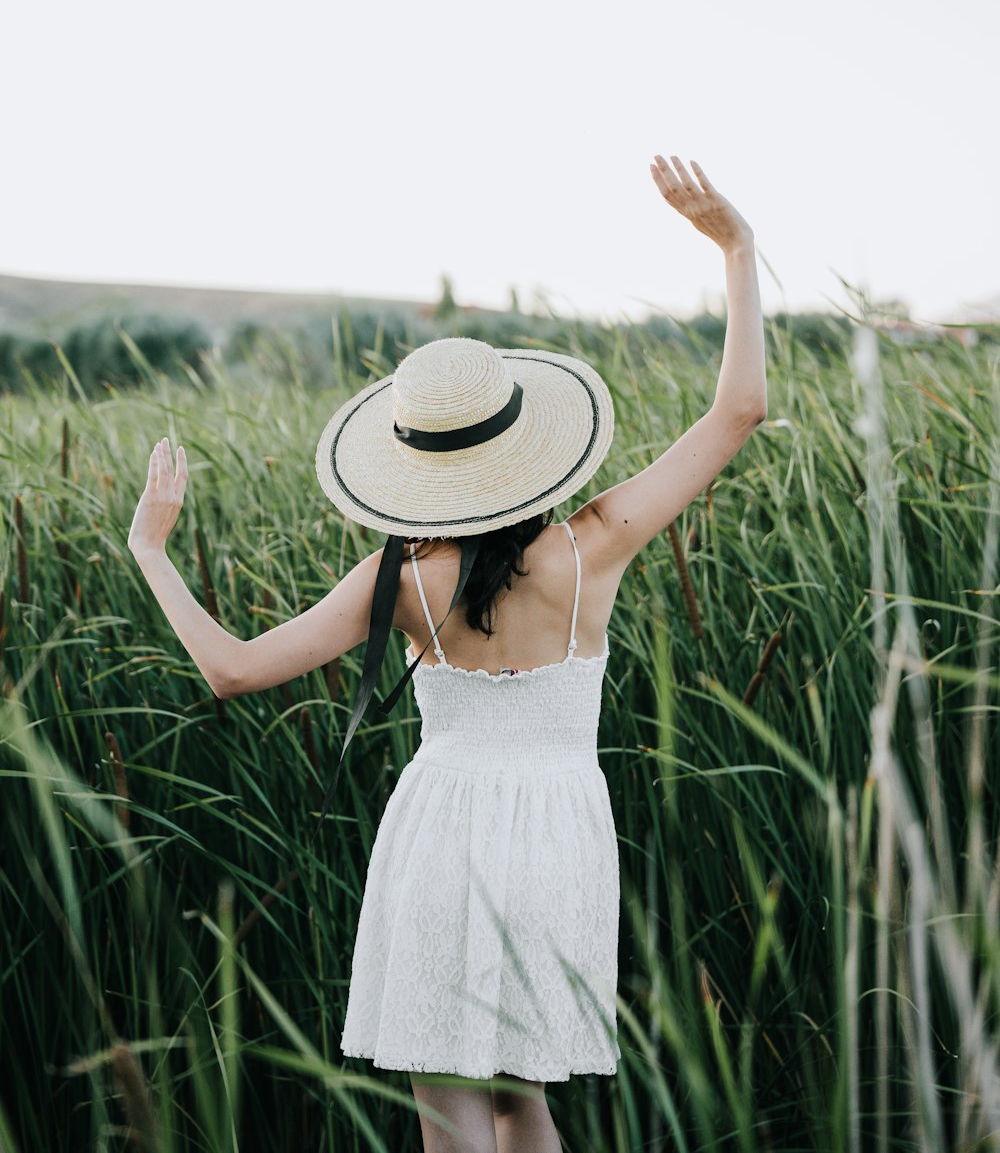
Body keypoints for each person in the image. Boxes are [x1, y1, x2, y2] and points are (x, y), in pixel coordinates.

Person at [128, 154, 767, 1153]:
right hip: (561, 832)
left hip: (444, 832)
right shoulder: (593, 545)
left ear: (415, 467)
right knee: (527, 1102)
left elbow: (232, 670)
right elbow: (737, 412)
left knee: (453, 1107)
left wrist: (152, 553)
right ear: (526, 444)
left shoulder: (399, 581)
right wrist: (736, 248)